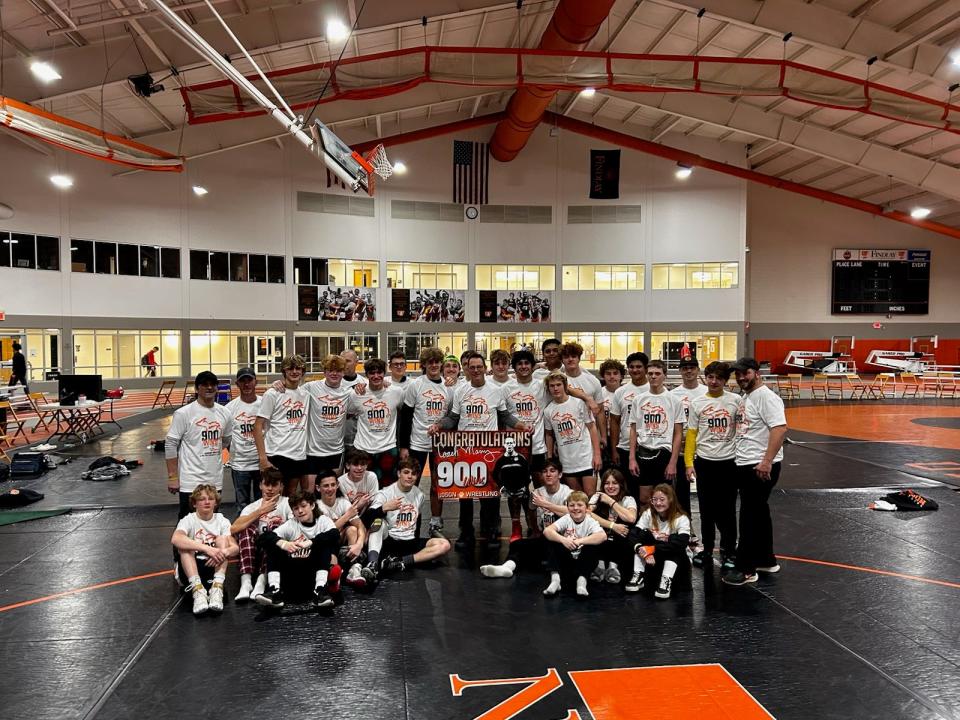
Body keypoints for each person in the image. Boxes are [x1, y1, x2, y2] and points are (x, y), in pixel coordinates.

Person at [431, 352, 529, 549]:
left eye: (479, 367)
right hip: (466, 448)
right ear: (467, 369)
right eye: (472, 367)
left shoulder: (496, 390)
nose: (475, 370)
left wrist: (521, 425)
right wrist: (439, 425)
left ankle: (490, 530)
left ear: (485, 368)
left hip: (489, 448)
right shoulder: (461, 391)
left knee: (490, 493)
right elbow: (452, 418)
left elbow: (505, 415)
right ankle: (465, 532)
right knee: (465, 493)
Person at [723, 357, 788, 587]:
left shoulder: (767, 397)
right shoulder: (747, 396)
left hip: (758, 466)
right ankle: (766, 560)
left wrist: (766, 462)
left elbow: (779, 429)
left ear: (756, 373)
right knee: (759, 513)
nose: (741, 378)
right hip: (747, 463)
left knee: (749, 516)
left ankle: (746, 568)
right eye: (738, 374)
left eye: (745, 373)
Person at [685, 361, 740, 572]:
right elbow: (691, 434)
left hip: (729, 463)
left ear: (725, 380)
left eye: (718, 378)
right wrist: (689, 463)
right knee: (706, 511)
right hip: (705, 462)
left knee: (727, 511)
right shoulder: (697, 403)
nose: (714, 381)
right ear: (705, 378)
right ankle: (707, 550)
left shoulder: (736, 401)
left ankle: (728, 550)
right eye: (710, 377)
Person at [362, 458, 451, 582]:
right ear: (399, 474)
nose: (410, 477)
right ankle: (372, 564)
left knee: (444, 545)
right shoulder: (385, 493)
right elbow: (366, 518)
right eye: (406, 472)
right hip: (390, 540)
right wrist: (384, 508)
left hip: (410, 543)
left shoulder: (419, 495)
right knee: (378, 522)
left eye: (413, 474)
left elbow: (417, 520)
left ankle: (401, 562)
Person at [480, 458, 570, 579]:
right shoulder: (537, 492)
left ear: (560, 474)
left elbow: (573, 512)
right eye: (545, 471)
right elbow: (531, 510)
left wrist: (546, 505)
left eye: (552, 471)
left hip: (564, 541)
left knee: (543, 554)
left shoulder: (568, 493)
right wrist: (535, 529)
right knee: (517, 544)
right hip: (546, 538)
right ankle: (507, 567)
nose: (548, 474)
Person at [398, 347, 453, 537]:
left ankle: (436, 521)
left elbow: (452, 417)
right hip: (417, 443)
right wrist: (404, 446)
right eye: (430, 362)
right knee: (411, 483)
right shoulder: (416, 385)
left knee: (439, 484)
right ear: (424, 365)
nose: (434, 365)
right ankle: (411, 521)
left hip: (441, 444)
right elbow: (406, 416)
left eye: (437, 362)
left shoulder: (449, 387)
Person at [256, 490, 341, 610]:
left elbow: (335, 534)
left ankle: (320, 591)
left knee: (324, 544)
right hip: (292, 577)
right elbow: (263, 538)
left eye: (303, 506)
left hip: (312, 576)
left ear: (312, 505)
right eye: (296, 508)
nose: (300, 511)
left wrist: (310, 543)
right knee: (274, 545)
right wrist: (283, 543)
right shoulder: (292, 524)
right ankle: (274, 591)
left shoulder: (322, 521)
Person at [166, 371, 233, 519]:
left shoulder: (225, 413)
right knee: (187, 524)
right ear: (197, 389)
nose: (209, 388)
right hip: (191, 481)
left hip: (215, 480)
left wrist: (210, 449)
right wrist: (172, 477)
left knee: (211, 522)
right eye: (204, 385)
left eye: (212, 384)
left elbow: (227, 439)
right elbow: (170, 444)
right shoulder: (183, 413)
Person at [500, 349, 549, 540]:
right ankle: (515, 526)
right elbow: (503, 414)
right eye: (519, 364)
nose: (523, 367)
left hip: (537, 447)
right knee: (515, 490)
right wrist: (518, 426)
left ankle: (537, 525)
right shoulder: (507, 388)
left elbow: (562, 385)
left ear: (532, 365)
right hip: (514, 449)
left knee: (539, 489)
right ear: (514, 367)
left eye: (527, 363)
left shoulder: (541, 386)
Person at [171, 484, 239, 615]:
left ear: (216, 503)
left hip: (214, 566)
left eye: (211, 499)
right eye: (202, 499)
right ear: (195, 504)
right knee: (185, 547)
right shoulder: (189, 519)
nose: (207, 502)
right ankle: (197, 591)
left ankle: (217, 588)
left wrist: (222, 552)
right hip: (191, 569)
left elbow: (235, 548)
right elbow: (175, 539)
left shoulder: (222, 520)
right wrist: (208, 549)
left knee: (222, 540)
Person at [628, 360, 684, 507]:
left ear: (664, 376)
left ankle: (666, 529)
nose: (653, 377)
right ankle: (647, 529)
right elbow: (633, 430)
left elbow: (678, 434)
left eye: (657, 374)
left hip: (664, 453)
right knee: (644, 498)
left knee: (665, 498)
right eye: (651, 373)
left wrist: (673, 462)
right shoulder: (639, 400)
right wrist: (632, 458)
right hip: (644, 452)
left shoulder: (674, 401)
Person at [230, 468, 292, 602]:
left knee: (273, 530)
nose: (270, 489)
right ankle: (245, 582)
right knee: (245, 529)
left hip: (278, 551)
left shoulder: (288, 503)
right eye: (266, 484)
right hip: (254, 551)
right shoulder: (253, 506)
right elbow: (234, 528)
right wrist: (260, 511)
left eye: (274, 485)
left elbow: (295, 527)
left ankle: (261, 580)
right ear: (260, 485)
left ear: (281, 486)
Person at [254, 355, 310, 496]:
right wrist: (262, 458)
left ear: (303, 372)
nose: (294, 371)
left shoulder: (306, 394)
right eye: (290, 368)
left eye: (298, 368)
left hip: (297, 455)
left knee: (290, 495)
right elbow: (257, 426)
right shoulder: (272, 394)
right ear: (284, 371)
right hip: (276, 453)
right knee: (272, 496)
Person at [626, 483, 692, 599]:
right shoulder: (648, 514)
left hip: (677, 563)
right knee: (643, 535)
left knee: (674, 543)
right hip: (654, 560)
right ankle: (639, 575)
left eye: (662, 499)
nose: (658, 503)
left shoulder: (681, 518)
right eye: (654, 499)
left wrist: (653, 548)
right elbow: (633, 534)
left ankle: (666, 580)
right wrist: (641, 551)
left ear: (671, 500)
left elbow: (682, 543)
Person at [346, 358, 404, 487]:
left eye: (379, 373)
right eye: (372, 373)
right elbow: (348, 415)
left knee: (388, 488)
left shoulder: (396, 392)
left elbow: (402, 413)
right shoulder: (356, 394)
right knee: (362, 489)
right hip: (363, 448)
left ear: (384, 374)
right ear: (366, 375)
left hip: (387, 447)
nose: (376, 376)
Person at [543, 372, 602, 495]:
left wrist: (597, 455)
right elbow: (548, 434)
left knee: (590, 497)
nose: (555, 388)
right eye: (552, 386)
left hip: (586, 459)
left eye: (558, 385)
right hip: (567, 462)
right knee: (576, 498)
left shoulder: (579, 403)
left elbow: (592, 427)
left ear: (565, 386)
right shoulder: (548, 410)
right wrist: (549, 457)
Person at [542, 491, 607, 597]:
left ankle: (582, 582)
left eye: (580, 505)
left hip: (582, 563)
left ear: (587, 508)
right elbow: (547, 531)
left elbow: (603, 536)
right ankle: (555, 580)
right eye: (572, 505)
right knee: (551, 540)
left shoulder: (590, 521)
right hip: (566, 564)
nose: (575, 508)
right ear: (567, 508)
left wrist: (580, 541)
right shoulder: (567, 518)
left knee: (594, 546)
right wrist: (563, 540)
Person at [669, 356, 708, 519]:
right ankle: (686, 526)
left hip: (705, 450)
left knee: (706, 491)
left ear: (698, 370)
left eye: (692, 367)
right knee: (681, 492)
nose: (689, 370)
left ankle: (709, 527)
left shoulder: (707, 392)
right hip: (681, 450)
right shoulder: (673, 395)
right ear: (680, 371)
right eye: (685, 368)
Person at [315, 470, 368, 587]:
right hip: (323, 544)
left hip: (341, 541)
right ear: (318, 488)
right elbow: (325, 533)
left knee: (353, 530)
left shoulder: (343, 503)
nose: (330, 489)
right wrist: (346, 516)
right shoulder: (316, 505)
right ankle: (333, 573)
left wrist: (359, 544)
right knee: (327, 540)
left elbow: (360, 526)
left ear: (338, 485)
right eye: (326, 486)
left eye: (333, 485)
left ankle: (354, 570)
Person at [609, 352, 650, 501]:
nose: (635, 370)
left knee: (648, 491)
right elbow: (614, 421)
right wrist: (614, 449)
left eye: (639, 366)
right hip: (625, 447)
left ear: (645, 368)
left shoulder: (654, 389)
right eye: (631, 367)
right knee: (629, 490)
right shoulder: (620, 392)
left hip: (648, 447)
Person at [587, 468, 638, 585]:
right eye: (607, 483)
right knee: (598, 532)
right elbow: (586, 514)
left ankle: (612, 567)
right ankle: (600, 565)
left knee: (622, 531)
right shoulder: (597, 497)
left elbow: (631, 518)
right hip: (603, 536)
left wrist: (611, 501)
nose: (610, 486)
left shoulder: (628, 499)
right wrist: (612, 525)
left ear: (621, 484)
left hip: (620, 540)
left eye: (614, 483)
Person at [224, 367, 262, 512]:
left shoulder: (265, 403)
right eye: (243, 381)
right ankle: (243, 534)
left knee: (262, 504)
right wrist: (234, 452)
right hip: (240, 465)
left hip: (261, 464)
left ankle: (261, 534)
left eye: (249, 380)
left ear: (255, 382)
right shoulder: (230, 408)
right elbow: (226, 436)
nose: (246, 384)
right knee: (242, 506)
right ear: (237, 384)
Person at [598, 359, 625, 466]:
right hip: (604, 437)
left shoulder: (626, 393)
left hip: (622, 437)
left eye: (615, 373)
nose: (612, 376)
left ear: (621, 376)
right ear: (603, 376)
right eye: (608, 374)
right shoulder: (599, 393)